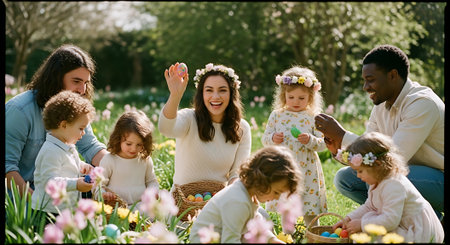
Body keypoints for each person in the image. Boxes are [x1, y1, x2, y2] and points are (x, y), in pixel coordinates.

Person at [314, 44, 444, 217]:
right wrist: (340, 150)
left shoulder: (422, 103)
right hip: (406, 172)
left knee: (379, 174)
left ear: (392, 75)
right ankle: (422, 218)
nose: (365, 87)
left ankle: (396, 221)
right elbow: (369, 150)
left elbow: (392, 158)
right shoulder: (381, 105)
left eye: (371, 79)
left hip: (438, 179)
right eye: (365, 80)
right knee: (345, 179)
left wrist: (342, 135)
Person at [5, 44, 107, 197]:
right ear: (56, 78)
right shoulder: (19, 111)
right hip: (23, 196)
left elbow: (90, 147)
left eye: (86, 83)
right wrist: (35, 202)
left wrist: (121, 165)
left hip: (60, 192)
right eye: (76, 81)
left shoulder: (75, 108)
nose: (82, 90)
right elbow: (7, 167)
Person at [331, 132, 444, 243]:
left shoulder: (394, 185)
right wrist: (348, 219)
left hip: (417, 231)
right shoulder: (376, 181)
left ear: (378, 165)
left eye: (360, 171)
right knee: (367, 227)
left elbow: (390, 220)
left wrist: (362, 224)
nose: (358, 176)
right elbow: (370, 206)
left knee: (369, 235)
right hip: (402, 224)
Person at [158, 62, 251, 190]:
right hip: (183, 202)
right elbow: (165, 129)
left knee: (259, 211)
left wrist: (234, 195)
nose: (215, 96)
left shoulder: (242, 128)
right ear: (202, 93)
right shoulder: (189, 118)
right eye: (209, 90)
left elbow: (237, 173)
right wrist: (175, 96)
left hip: (218, 201)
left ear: (231, 93)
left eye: (222, 90)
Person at [189, 145, 303, 243]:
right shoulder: (238, 201)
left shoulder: (247, 192)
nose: (277, 197)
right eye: (276, 192)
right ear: (261, 181)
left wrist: (272, 239)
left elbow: (255, 221)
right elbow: (230, 240)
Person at [261, 65, 327, 226]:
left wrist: (310, 140)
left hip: (306, 168)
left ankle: (312, 232)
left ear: (310, 97)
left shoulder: (313, 117)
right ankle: (287, 234)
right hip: (283, 167)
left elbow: (323, 143)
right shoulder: (277, 115)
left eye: (301, 98)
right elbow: (265, 138)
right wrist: (273, 138)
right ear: (284, 96)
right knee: (285, 202)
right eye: (291, 97)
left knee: (308, 204)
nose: (296, 102)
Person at [31, 91, 95, 217]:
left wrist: (82, 166)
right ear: (64, 125)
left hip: (62, 209)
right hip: (47, 211)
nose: (83, 133)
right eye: (81, 128)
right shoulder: (51, 151)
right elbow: (50, 182)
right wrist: (76, 184)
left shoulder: (66, 145)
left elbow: (66, 164)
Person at [97, 110, 159, 207]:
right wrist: (104, 193)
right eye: (128, 144)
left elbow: (151, 181)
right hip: (115, 206)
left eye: (139, 144)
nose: (134, 149)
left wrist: (153, 191)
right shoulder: (110, 160)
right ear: (118, 139)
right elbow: (98, 185)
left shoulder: (144, 160)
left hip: (140, 205)